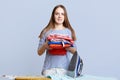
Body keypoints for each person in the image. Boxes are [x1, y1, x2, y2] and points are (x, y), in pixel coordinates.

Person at [37, 4, 77, 76]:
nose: (60, 16)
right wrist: (45, 46)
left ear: (65, 17)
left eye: (62, 14)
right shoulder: (46, 31)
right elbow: (39, 52)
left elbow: (75, 51)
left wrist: (66, 46)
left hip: (65, 70)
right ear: (53, 16)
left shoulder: (69, 32)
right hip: (48, 70)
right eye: (57, 14)